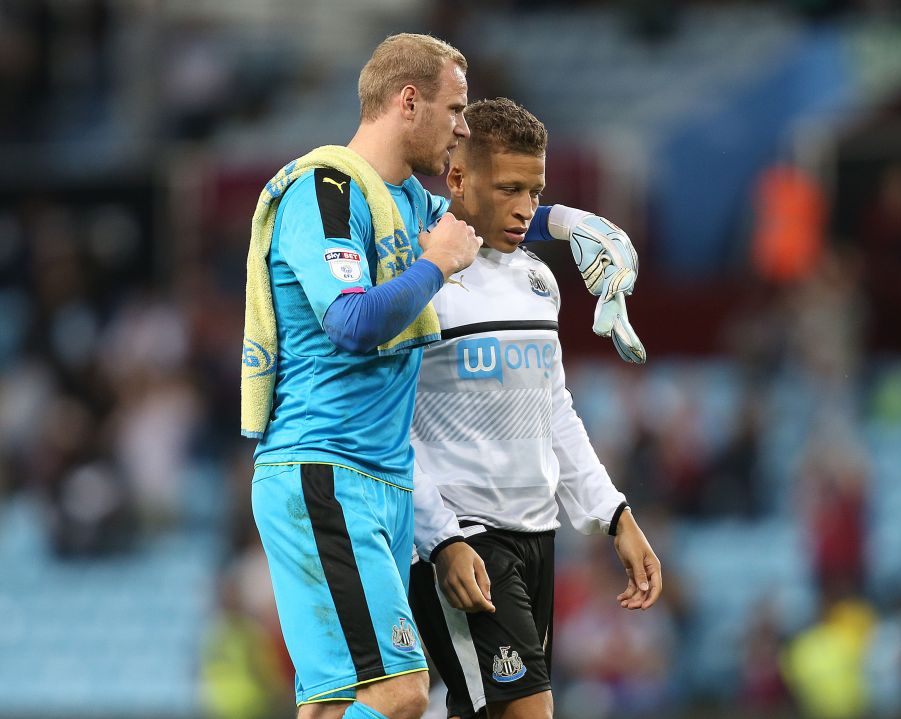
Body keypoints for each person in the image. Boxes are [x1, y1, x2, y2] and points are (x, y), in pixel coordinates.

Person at [242, 35, 645, 719]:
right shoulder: (327, 189)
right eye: (455, 109)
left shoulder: (401, 200)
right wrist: (435, 268)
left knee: (336, 705)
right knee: (401, 693)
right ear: (408, 101)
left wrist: (578, 225)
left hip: (377, 478)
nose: (463, 127)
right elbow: (349, 321)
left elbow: (489, 218)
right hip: (326, 468)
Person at [407, 98, 662, 719]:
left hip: (535, 534)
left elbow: (555, 410)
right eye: (510, 188)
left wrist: (614, 514)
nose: (525, 208)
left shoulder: (537, 281)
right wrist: (440, 539)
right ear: (460, 179)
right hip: (466, 535)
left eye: (535, 190)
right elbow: (389, 423)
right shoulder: (421, 278)